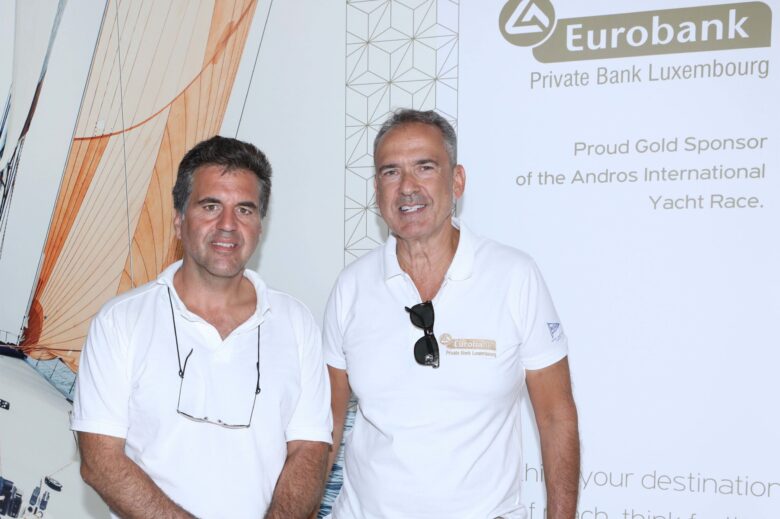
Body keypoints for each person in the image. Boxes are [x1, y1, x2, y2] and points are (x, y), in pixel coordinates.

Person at [324, 109, 579, 518]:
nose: (407, 187)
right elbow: (326, 426)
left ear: (457, 181)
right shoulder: (351, 287)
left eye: (425, 167)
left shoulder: (514, 276)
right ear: (376, 189)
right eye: (391, 172)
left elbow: (555, 416)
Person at [71, 136, 332, 519]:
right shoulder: (120, 322)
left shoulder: (297, 324)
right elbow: (100, 461)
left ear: (260, 226)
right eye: (211, 206)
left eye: (244, 210)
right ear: (179, 220)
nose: (228, 225)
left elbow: (310, 450)